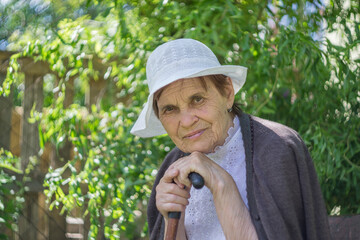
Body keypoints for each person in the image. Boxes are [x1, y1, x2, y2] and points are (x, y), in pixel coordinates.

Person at [131, 39, 331, 240]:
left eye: (197, 99)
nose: (186, 121)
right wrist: (173, 220)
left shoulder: (276, 148)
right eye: (170, 109)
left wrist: (221, 184)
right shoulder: (172, 166)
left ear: (227, 93)